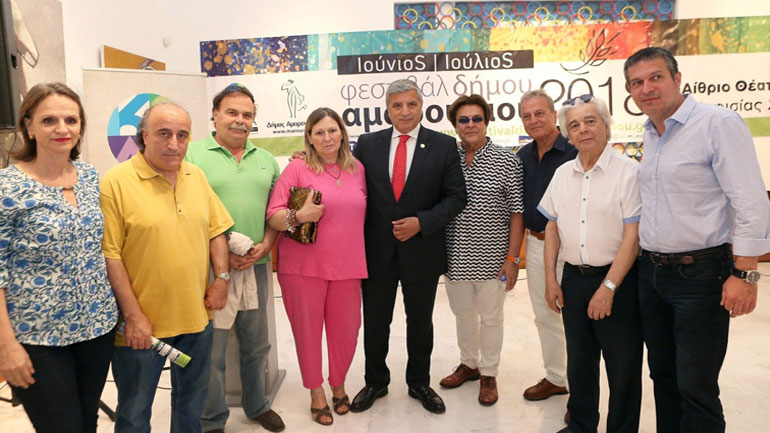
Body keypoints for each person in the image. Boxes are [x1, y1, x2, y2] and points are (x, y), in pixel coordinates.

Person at [625, 46, 770, 433]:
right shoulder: (651, 133)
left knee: (696, 385)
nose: (646, 88)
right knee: (663, 377)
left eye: (656, 77)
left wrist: (745, 273)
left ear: (677, 78)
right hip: (652, 274)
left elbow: (751, 201)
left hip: (701, 274)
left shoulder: (717, 123)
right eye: (636, 83)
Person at [100, 102, 233, 433]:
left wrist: (222, 278)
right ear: (144, 135)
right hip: (142, 330)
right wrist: (134, 317)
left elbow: (216, 230)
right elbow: (110, 255)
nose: (174, 144)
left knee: (191, 405)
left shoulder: (195, 176)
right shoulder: (115, 183)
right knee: (134, 414)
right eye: (163, 134)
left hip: (196, 321)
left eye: (182, 135)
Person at [0, 82, 118, 433]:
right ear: (29, 127)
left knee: (87, 422)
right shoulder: (6, 187)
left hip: (97, 328)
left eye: (71, 120)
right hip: (37, 337)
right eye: (49, 120)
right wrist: (6, 347)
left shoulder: (90, 177)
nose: (62, 128)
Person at [349, 79, 466, 415]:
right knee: (376, 321)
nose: (405, 111)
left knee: (420, 321)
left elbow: (456, 197)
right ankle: (375, 381)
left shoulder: (443, 145)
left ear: (421, 107)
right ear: (387, 109)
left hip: (422, 250)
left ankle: (419, 382)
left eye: (411, 104)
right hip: (377, 251)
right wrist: (307, 159)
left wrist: (421, 222)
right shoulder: (367, 145)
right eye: (397, 105)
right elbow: (346, 181)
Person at [540, 94, 643, 433]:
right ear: (567, 134)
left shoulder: (628, 172)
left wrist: (608, 288)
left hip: (619, 281)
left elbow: (633, 237)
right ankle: (581, 425)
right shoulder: (562, 174)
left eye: (590, 121)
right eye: (574, 125)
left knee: (623, 365)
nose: (582, 129)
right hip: (574, 279)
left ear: (606, 126)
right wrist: (551, 280)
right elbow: (552, 227)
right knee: (580, 362)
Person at [186, 83, 285, 433]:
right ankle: (212, 418)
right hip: (210, 270)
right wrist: (223, 253)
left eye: (247, 114)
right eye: (232, 112)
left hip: (256, 266)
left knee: (257, 344)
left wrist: (267, 244)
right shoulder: (192, 155)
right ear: (215, 115)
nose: (240, 120)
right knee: (213, 351)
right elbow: (185, 212)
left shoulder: (266, 160)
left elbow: (276, 213)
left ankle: (257, 405)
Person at [266, 107, 367, 426]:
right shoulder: (297, 168)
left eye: (332, 130)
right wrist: (299, 216)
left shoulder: (358, 169)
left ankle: (338, 382)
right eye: (319, 132)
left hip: (348, 267)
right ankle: (316, 391)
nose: (327, 137)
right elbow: (273, 216)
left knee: (346, 333)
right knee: (307, 333)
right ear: (309, 137)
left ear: (342, 134)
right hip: (302, 268)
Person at [438, 94, 524, 406]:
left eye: (477, 118)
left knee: (490, 318)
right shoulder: (447, 157)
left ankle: (488, 373)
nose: (470, 124)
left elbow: (517, 212)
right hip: (454, 256)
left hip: (494, 258)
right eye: (464, 120)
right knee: (462, 314)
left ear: (486, 122)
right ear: (455, 125)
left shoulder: (507, 160)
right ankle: (468, 364)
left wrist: (512, 259)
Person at [516, 89, 577, 408]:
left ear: (555, 115)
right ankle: (556, 378)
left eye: (539, 113)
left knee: (576, 319)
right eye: (526, 116)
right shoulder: (523, 156)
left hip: (573, 246)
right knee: (545, 314)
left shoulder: (574, 150)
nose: (533, 120)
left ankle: (581, 391)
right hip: (537, 243)